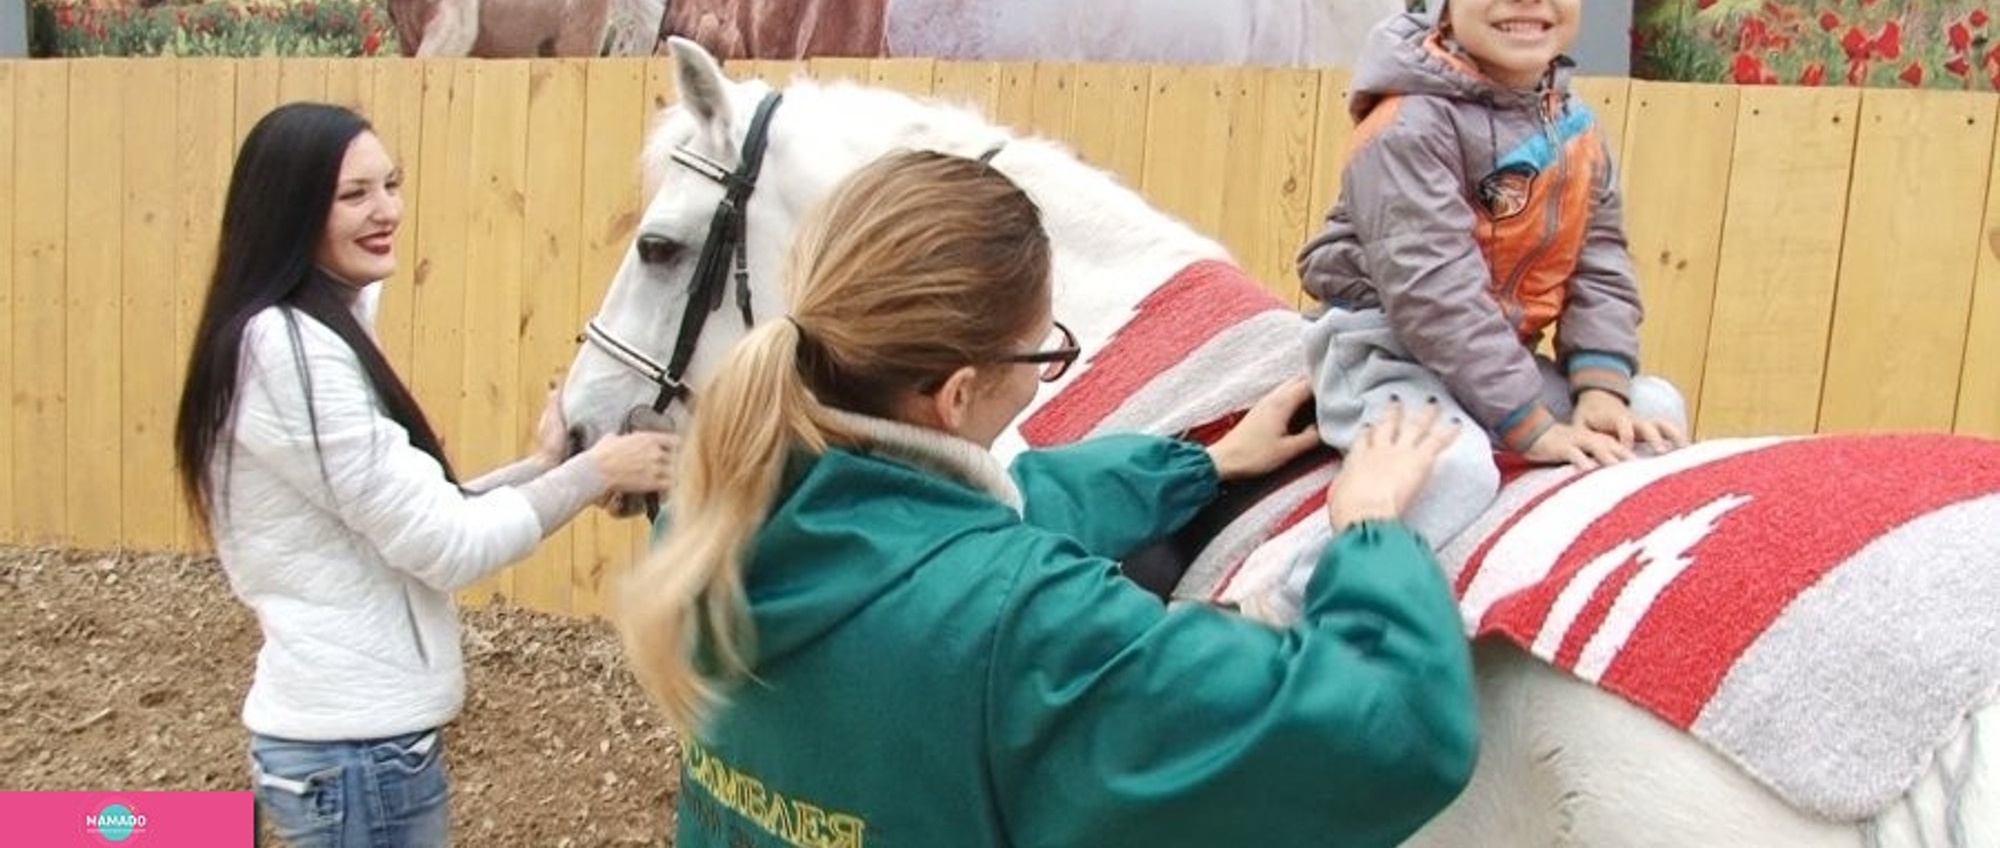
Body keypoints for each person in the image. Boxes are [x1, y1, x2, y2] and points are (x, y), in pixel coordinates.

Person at [616, 149, 1478, 848]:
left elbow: (963, 520)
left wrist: (1200, 468)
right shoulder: (1024, 624)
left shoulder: (711, 510)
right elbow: (1396, 732)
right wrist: (1369, 535)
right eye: (1042, 355)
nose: (1043, 372)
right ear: (956, 397)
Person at [173, 102, 675, 848]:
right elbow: (448, 544)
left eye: (392, 184)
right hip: (355, 760)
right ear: (290, 208)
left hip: (357, 753)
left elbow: (421, 515)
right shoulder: (290, 353)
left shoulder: (304, 333)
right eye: (354, 195)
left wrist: (545, 467)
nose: (386, 211)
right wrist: (592, 472)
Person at [1297, 0, 1689, 550]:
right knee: (1453, 473)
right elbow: (1433, 293)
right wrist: (1527, 422)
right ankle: (1293, 605)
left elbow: (1600, 263)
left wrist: (1599, 385)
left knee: (1651, 411)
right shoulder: (1408, 127)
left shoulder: (1577, 131)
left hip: (1494, 360)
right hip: (1385, 352)